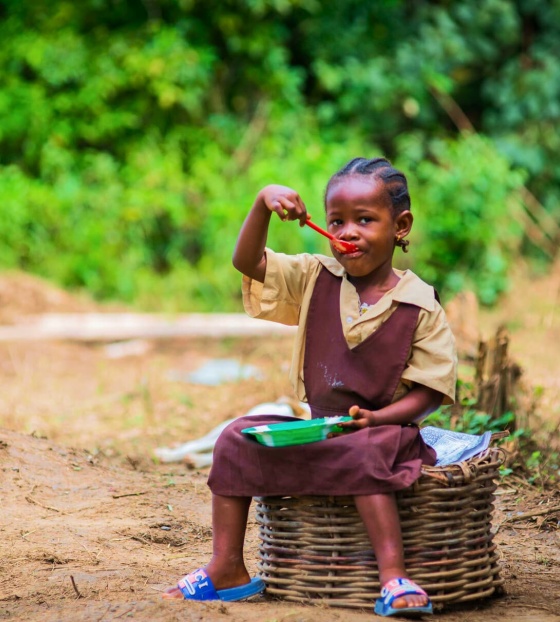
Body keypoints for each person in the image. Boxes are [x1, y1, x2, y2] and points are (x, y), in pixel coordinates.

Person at [163, 157, 457, 617]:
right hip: (321, 431)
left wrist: (379, 418)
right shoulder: (315, 277)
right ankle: (227, 568)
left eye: (365, 220)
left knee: (363, 451)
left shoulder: (420, 304)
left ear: (401, 226)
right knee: (235, 439)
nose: (348, 232)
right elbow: (248, 261)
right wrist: (263, 202)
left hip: (385, 436)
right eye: (337, 220)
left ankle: (393, 578)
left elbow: (430, 392)